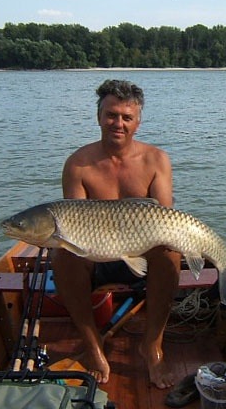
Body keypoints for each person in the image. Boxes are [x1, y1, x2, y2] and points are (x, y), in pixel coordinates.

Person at [52, 79, 181, 389]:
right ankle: (94, 347)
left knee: (170, 250)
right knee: (63, 254)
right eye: (111, 115)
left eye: (126, 117)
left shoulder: (156, 160)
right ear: (99, 117)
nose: (118, 123)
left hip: (143, 252)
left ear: (138, 122)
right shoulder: (78, 164)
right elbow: (74, 224)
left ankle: (152, 346)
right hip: (95, 253)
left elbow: (162, 220)